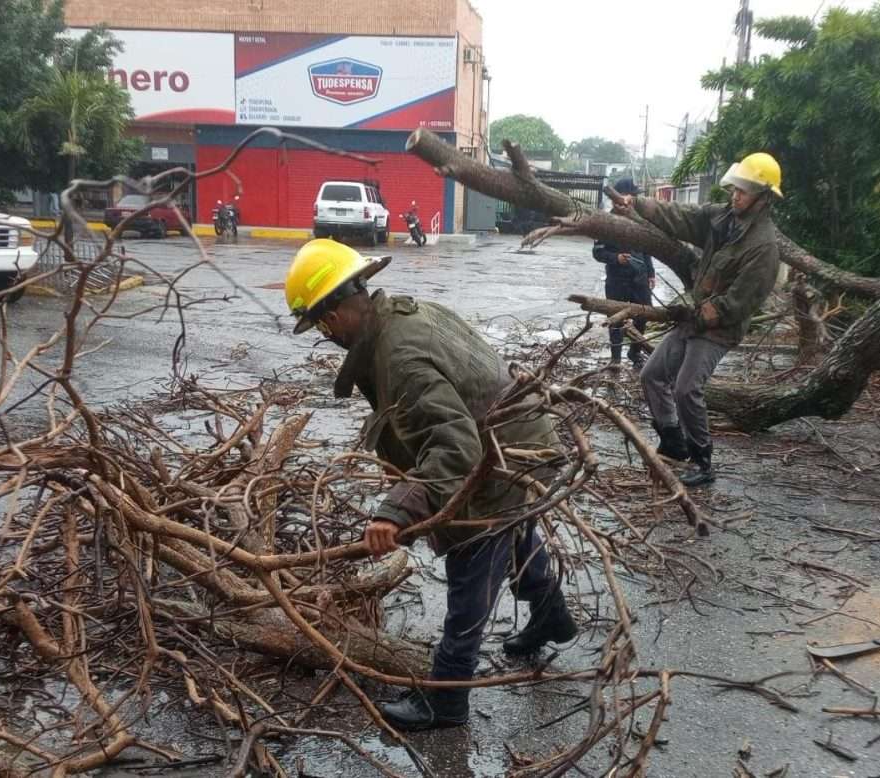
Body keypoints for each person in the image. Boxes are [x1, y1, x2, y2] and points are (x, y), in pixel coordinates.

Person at [283, 239, 578, 731]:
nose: (323, 333)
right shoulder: (403, 314)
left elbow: (453, 448)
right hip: (520, 446)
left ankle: (446, 700)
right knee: (514, 531)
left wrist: (395, 509)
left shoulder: (400, 356)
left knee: (472, 559)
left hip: (499, 459)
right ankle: (552, 616)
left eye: (318, 323)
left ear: (332, 316)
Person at [623, 153, 783, 487]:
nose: (736, 195)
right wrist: (638, 204)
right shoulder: (723, 219)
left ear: (763, 197)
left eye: (745, 191)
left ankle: (702, 460)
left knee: (686, 388)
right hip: (694, 318)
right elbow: (681, 215)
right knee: (652, 374)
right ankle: (673, 440)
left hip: (719, 330)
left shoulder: (763, 247)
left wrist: (695, 315)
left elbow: (737, 304)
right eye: (736, 188)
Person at [593, 178, 656, 370]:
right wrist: (616, 258)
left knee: (643, 316)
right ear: (615, 199)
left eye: (633, 197)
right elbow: (598, 252)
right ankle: (616, 358)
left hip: (639, 278)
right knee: (616, 319)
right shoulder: (605, 222)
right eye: (629, 196)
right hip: (617, 279)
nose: (632, 200)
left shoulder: (640, 220)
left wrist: (651, 273)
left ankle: (635, 353)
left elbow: (646, 250)